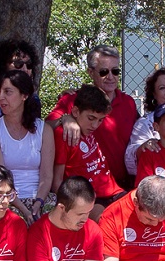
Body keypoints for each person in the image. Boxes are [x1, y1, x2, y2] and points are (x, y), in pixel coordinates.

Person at [49, 46, 138, 185]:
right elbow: (45, 126)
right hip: (85, 188)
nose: (110, 77)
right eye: (103, 72)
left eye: (115, 71)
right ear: (90, 72)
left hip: (120, 184)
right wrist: (65, 119)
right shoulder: (72, 100)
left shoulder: (128, 103)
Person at [0, 69, 54, 218]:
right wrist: (25, 210)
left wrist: (38, 203)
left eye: (8, 92)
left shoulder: (44, 130)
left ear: (24, 95)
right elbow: (0, 178)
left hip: (40, 198)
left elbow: (47, 175)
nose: (1, 97)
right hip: (8, 200)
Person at [54, 84, 126, 206]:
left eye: (100, 120)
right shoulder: (65, 134)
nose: (95, 125)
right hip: (88, 198)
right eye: (91, 118)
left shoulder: (89, 128)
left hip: (114, 191)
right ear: (76, 111)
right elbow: (57, 181)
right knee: (107, 220)